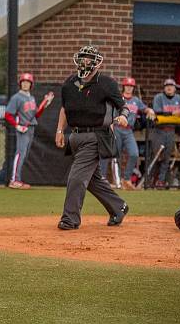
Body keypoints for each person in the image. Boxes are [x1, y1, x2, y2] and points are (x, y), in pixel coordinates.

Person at [54, 45, 130, 230]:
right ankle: (118, 207)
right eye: (83, 58)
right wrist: (59, 130)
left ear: (97, 63)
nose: (85, 61)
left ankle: (70, 219)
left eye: (89, 59)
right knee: (93, 180)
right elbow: (64, 108)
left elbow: (123, 105)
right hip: (75, 136)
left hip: (96, 136)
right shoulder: (69, 83)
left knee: (77, 178)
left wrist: (124, 116)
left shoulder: (106, 83)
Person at [99, 77, 155, 189]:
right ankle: (107, 179)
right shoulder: (118, 98)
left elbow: (144, 109)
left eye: (131, 86)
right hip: (117, 128)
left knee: (134, 153)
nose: (129, 88)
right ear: (124, 86)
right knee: (115, 156)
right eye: (127, 86)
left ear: (133, 88)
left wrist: (150, 110)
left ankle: (126, 179)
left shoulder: (136, 100)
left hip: (129, 130)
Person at [4, 73, 54, 189]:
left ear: (31, 85)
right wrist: (17, 126)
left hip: (31, 127)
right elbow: (8, 115)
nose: (25, 84)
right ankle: (14, 180)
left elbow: (36, 115)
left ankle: (18, 179)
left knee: (24, 154)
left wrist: (46, 103)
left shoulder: (31, 97)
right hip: (22, 128)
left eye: (28, 82)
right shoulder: (16, 97)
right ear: (20, 84)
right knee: (20, 154)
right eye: (23, 82)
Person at [150, 78, 180, 188]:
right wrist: (172, 113)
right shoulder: (159, 97)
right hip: (159, 131)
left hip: (171, 132)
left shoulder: (179, 98)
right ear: (164, 88)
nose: (169, 88)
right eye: (167, 86)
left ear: (175, 88)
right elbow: (157, 110)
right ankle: (150, 180)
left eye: (171, 86)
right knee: (156, 157)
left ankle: (161, 181)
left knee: (166, 159)